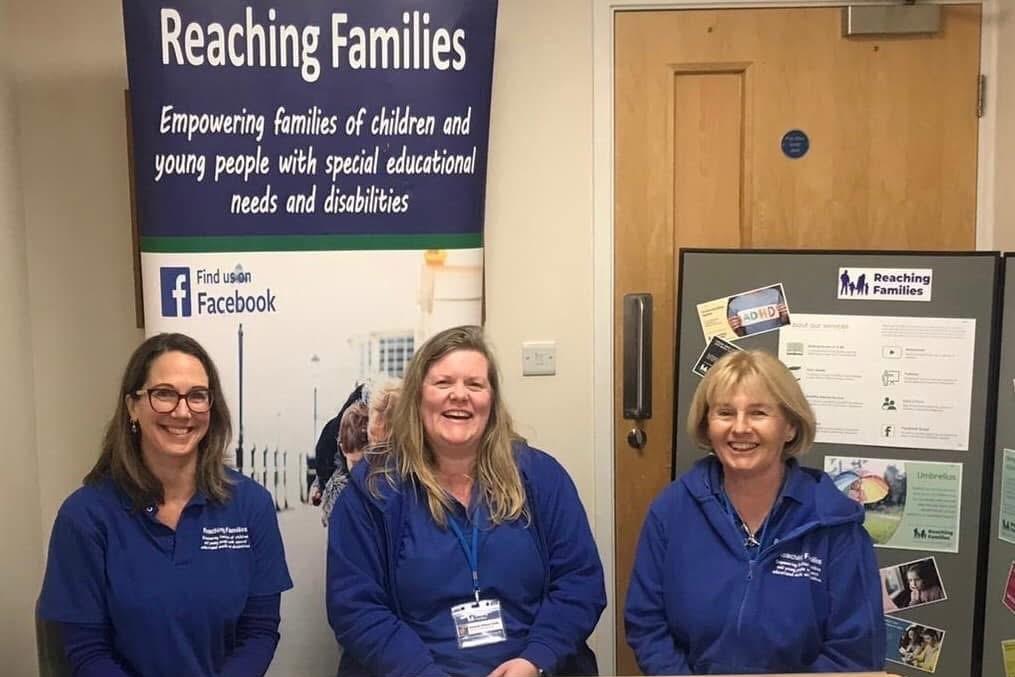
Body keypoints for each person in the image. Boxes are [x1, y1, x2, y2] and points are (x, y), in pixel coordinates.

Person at [327, 325, 606, 677]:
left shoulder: (542, 478)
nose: (459, 395)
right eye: (443, 383)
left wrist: (536, 659)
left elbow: (580, 583)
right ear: (417, 396)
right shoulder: (372, 489)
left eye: (474, 384)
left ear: (492, 400)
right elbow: (355, 608)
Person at [37, 333, 292, 676]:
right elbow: (86, 650)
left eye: (197, 396)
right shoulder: (85, 517)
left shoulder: (250, 506)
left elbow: (259, 631)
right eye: (164, 394)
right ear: (132, 406)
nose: (183, 411)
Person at [625, 349, 884, 674]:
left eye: (759, 413)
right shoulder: (672, 510)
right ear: (707, 426)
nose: (740, 428)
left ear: (789, 427)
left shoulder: (834, 524)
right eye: (725, 413)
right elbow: (646, 622)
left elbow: (855, 650)